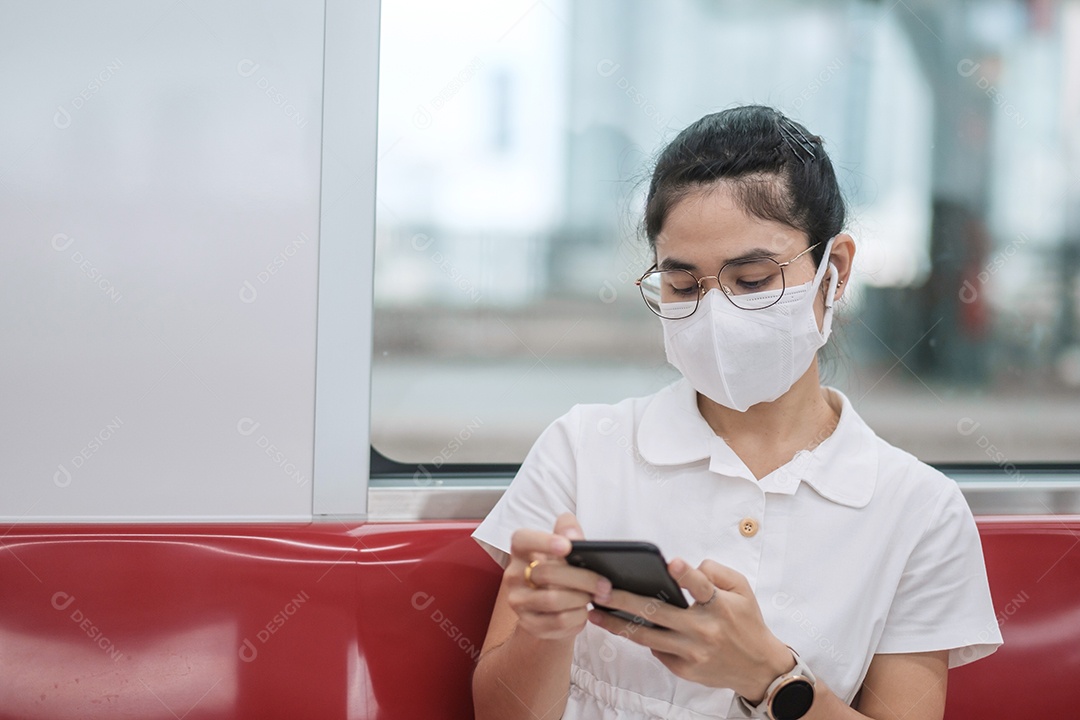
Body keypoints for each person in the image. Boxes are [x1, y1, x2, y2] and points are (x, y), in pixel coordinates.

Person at [471, 105, 1001, 720]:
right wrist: (545, 632)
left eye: (752, 279)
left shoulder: (919, 510)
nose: (716, 314)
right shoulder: (581, 450)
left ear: (835, 271)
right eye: (685, 285)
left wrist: (770, 678)